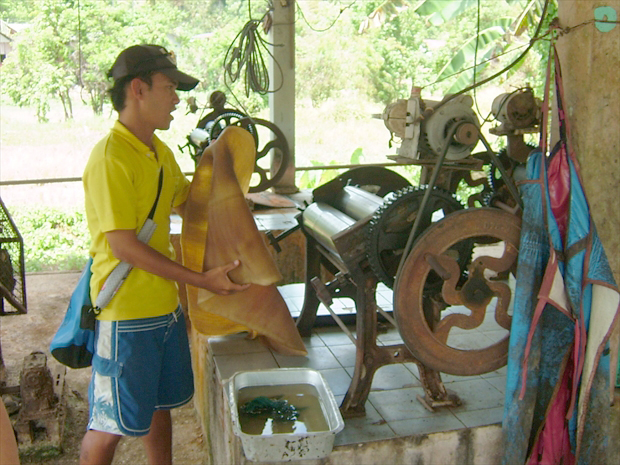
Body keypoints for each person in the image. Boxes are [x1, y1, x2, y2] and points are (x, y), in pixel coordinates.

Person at [79, 44, 250, 465]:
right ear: (138, 89)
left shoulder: (159, 152)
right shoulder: (110, 157)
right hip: (126, 316)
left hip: (164, 309)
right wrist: (201, 280)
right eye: (170, 87)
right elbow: (124, 246)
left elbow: (187, 205)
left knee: (159, 407)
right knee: (108, 427)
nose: (177, 98)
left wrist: (225, 174)